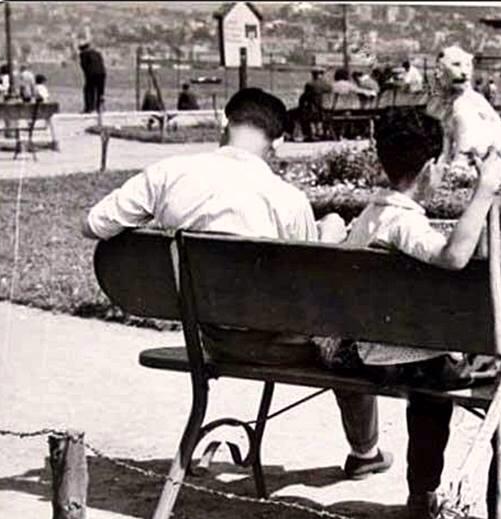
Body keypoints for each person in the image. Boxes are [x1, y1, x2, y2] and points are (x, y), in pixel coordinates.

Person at [82, 88, 390, 480]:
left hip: (211, 339)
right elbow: (315, 286)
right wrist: (330, 233)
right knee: (349, 345)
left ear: (224, 124)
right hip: (280, 346)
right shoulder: (286, 198)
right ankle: (365, 452)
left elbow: (93, 224)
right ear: (277, 143)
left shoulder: (167, 174)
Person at [323, 107, 501, 519]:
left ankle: (421, 493)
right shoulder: (404, 224)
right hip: (409, 362)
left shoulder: (370, 217)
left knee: (431, 388)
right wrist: (484, 190)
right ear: (428, 169)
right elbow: (453, 257)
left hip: (372, 357)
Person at [78, 41, 107, 113]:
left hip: (92, 74)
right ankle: (99, 107)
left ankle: (89, 108)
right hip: (102, 73)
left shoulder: (83, 54)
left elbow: (84, 66)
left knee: (88, 90)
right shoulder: (97, 53)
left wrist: (87, 77)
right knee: (100, 91)